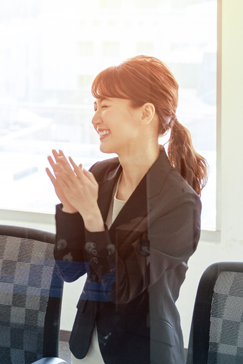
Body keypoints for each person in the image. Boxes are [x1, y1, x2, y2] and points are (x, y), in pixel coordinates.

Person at [46, 55, 206, 364]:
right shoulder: (101, 174)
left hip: (141, 352)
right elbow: (70, 271)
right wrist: (69, 207)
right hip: (85, 346)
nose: (95, 120)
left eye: (104, 106)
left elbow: (121, 289)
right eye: (94, 108)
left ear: (146, 113)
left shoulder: (178, 203)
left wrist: (90, 213)